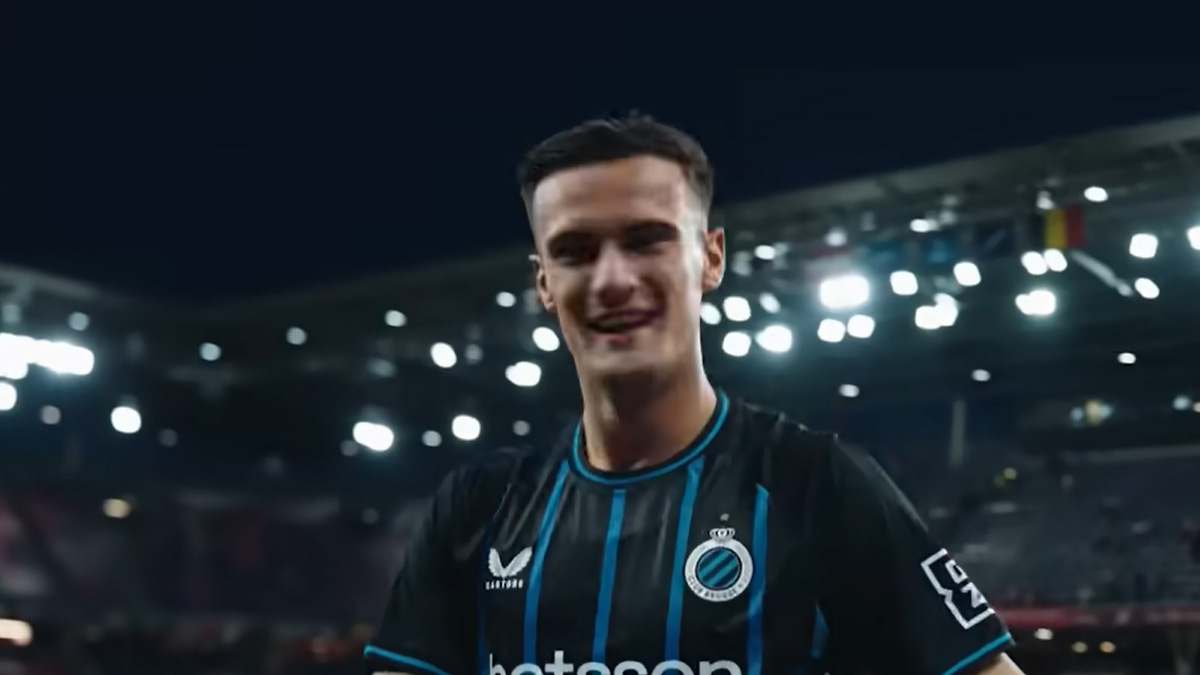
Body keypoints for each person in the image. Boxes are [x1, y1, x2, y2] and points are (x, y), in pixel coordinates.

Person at [365, 115, 1021, 675]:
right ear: (543, 283)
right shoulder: (476, 509)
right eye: (576, 251)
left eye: (646, 240)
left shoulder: (817, 486)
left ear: (710, 258)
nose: (612, 279)